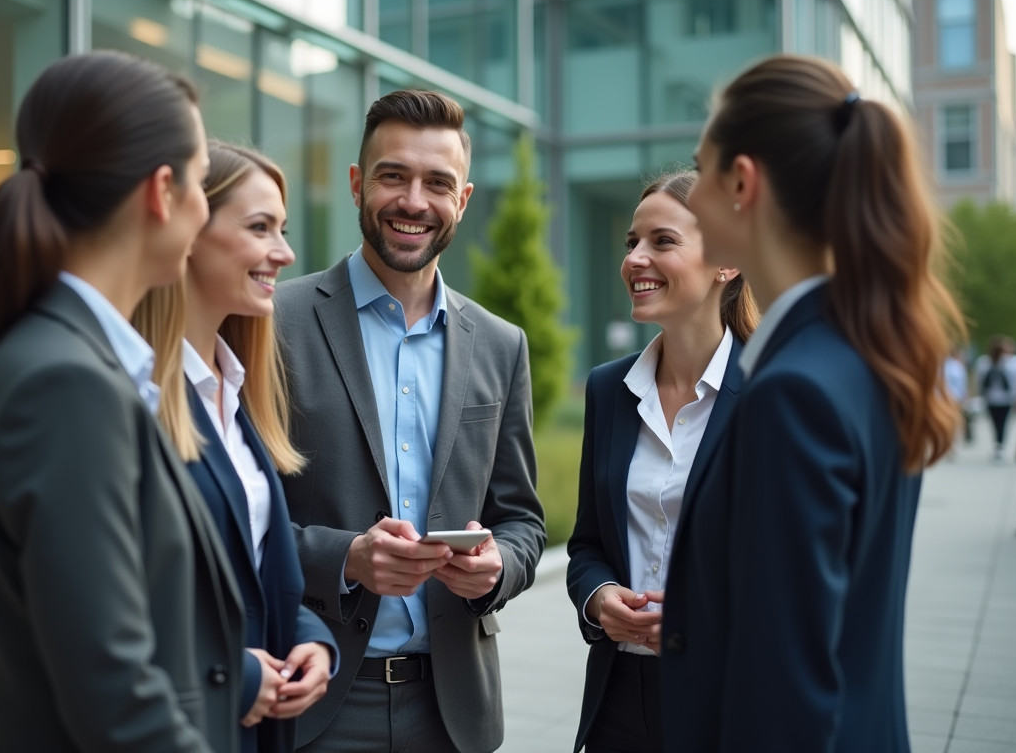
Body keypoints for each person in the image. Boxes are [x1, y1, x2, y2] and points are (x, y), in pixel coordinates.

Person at [0, 51, 246, 753]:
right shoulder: (67, 384)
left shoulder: (65, 361)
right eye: (199, 182)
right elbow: (115, 695)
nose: (202, 206)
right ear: (162, 192)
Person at [663, 55, 963, 752]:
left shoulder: (792, 394)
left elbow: (784, 689)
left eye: (701, 170)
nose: (692, 198)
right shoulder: (872, 358)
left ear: (743, 182)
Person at [272, 90, 546, 753]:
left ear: (464, 199)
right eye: (393, 176)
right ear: (357, 184)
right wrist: (346, 560)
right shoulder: (273, 323)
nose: (414, 201)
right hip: (313, 699)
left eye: (438, 183)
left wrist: (497, 570)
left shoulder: (502, 344)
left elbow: (523, 521)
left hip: (452, 712)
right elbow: (237, 518)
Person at [132, 140, 340, 753]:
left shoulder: (236, 391)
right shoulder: (134, 396)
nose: (285, 252)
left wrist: (311, 639)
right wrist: (236, 673)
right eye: (260, 227)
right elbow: (109, 606)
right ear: (189, 230)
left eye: (282, 229)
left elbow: (255, 572)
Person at [566, 171, 758, 753]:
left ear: (727, 262)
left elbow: (797, 574)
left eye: (662, 241)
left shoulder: (772, 393)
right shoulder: (608, 389)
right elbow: (587, 545)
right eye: (632, 242)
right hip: (618, 698)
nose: (635, 259)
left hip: (729, 695)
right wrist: (600, 598)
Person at [975, 335, 1016, 459]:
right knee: (998, 423)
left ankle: (999, 445)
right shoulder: (986, 362)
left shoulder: (1010, 362)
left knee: (1001, 423)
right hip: (994, 398)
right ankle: (999, 445)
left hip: (1003, 399)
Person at [943, 346, 970, 446]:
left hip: (946, 397)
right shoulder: (957, 366)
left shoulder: (943, 365)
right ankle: (952, 440)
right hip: (955, 397)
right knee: (955, 420)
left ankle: (950, 439)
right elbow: (962, 383)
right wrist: (965, 396)